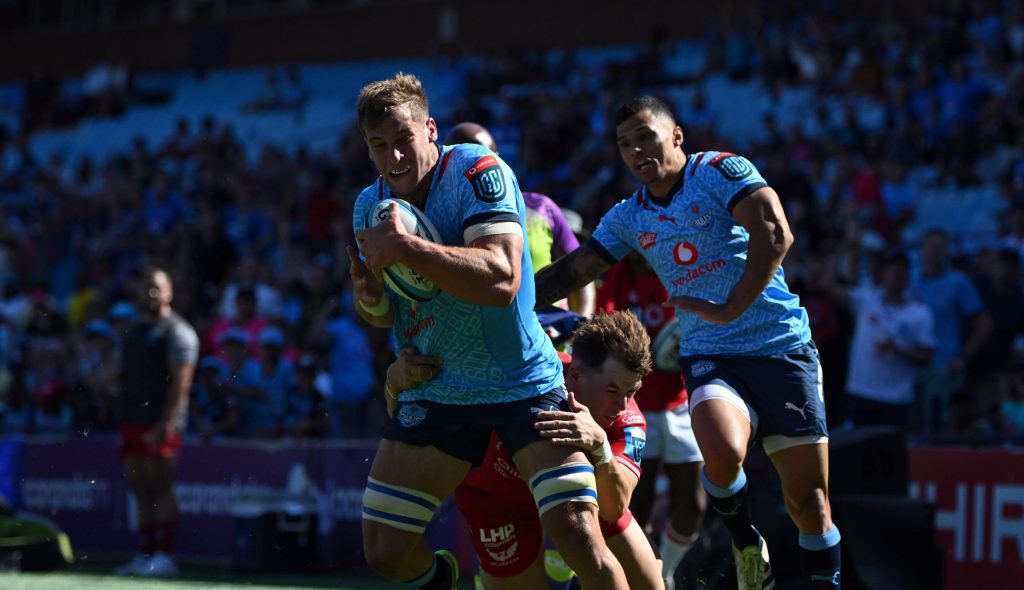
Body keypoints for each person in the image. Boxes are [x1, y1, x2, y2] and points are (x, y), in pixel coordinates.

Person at [534, 96, 841, 590]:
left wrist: (731, 307)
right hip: (711, 355)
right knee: (720, 454)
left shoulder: (720, 170)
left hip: (782, 347)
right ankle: (745, 542)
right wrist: (506, 298)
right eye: (624, 143)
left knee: (811, 505)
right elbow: (575, 271)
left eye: (645, 135)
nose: (636, 149)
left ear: (676, 135)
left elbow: (775, 233)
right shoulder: (628, 216)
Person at [348, 73, 629, 589]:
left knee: (581, 542)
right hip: (440, 390)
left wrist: (407, 249)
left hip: (521, 383)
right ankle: (440, 581)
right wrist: (369, 296)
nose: (394, 158)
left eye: (403, 139)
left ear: (430, 129)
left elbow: (502, 279)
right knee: (385, 552)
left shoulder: (482, 172)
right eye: (378, 146)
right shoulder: (371, 205)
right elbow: (385, 312)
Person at [386, 311, 662, 590]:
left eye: (632, 391)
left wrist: (600, 447)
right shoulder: (515, 376)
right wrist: (394, 383)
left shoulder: (627, 421)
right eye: (613, 391)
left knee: (651, 586)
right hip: (495, 500)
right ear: (575, 376)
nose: (623, 406)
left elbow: (614, 508)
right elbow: (410, 421)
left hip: (586, 495)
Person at [596, 252, 706, 589]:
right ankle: (638, 578)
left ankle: (666, 573)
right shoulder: (616, 279)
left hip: (680, 404)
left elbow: (700, 326)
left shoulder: (676, 275)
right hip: (635, 408)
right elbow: (604, 333)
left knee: (694, 504)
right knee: (634, 510)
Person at [444, 122, 595, 317]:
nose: (474, 167)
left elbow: (581, 269)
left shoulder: (541, 208)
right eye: (461, 159)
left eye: (482, 156)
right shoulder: (440, 223)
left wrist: (581, 325)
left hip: (552, 340)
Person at [114, 265, 199, 578]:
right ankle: (145, 552)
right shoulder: (135, 330)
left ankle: (165, 555)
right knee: (139, 488)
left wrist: (167, 422)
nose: (151, 293)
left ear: (170, 292)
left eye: (157, 287)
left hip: (160, 423)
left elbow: (182, 383)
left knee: (161, 487)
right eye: (146, 286)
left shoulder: (178, 331)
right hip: (132, 420)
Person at [836, 252, 935, 428]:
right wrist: (846, 249)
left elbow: (926, 357)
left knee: (889, 454)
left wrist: (896, 350)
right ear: (883, 275)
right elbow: (830, 288)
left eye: (901, 271)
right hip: (861, 391)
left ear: (908, 277)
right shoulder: (866, 300)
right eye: (892, 270)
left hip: (896, 398)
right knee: (859, 450)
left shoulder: (920, 313)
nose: (896, 275)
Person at [911, 228, 992, 433]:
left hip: (943, 365)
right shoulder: (910, 279)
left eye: (939, 247)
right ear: (921, 250)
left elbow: (983, 323)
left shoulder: (958, 282)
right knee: (910, 424)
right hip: (909, 364)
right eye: (929, 247)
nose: (933, 252)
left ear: (947, 251)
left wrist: (964, 356)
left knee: (938, 423)